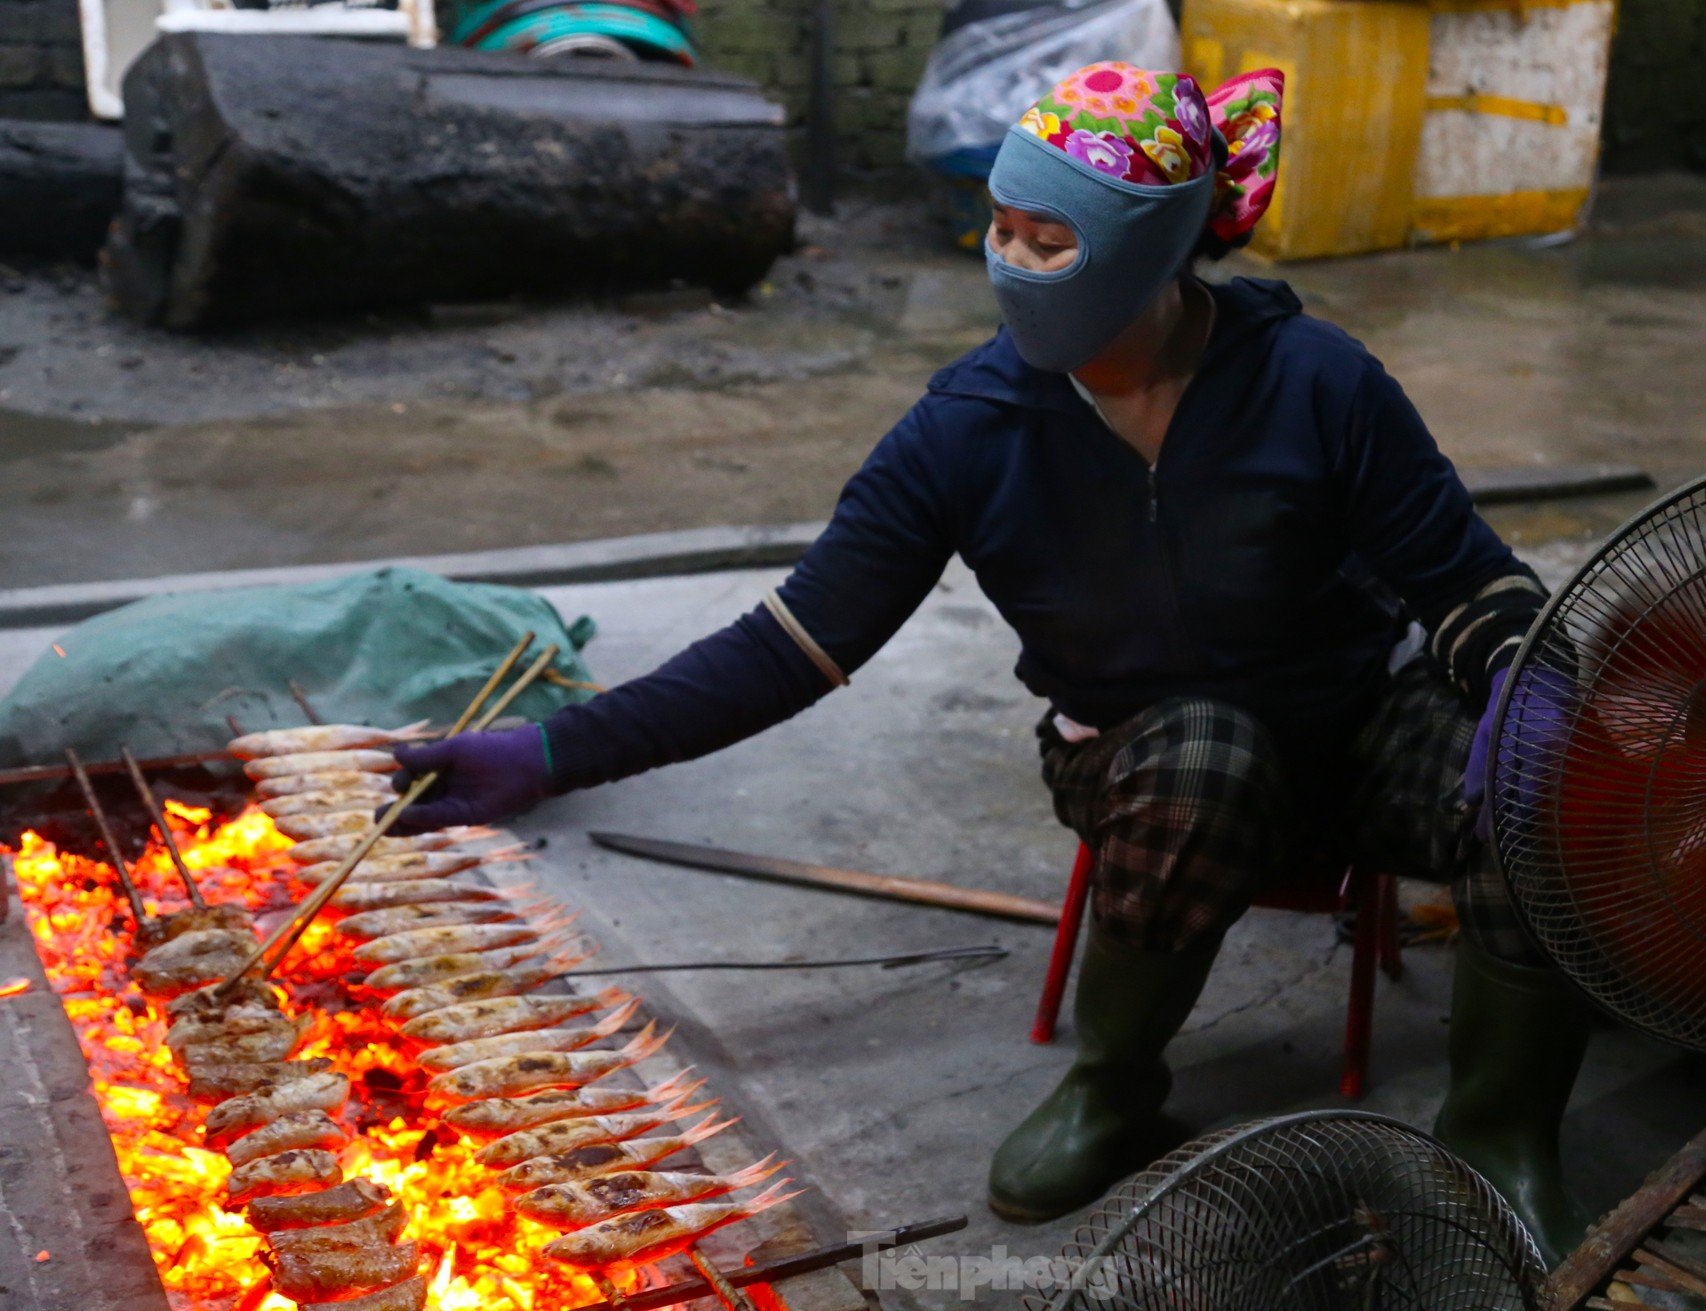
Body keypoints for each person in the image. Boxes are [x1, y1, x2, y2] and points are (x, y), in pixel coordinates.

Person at [385, 62, 1593, 1256]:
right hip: (1154, 767)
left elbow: (1465, 574)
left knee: (1541, 782)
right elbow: (792, 645)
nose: (1008, 262)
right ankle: (1114, 1084)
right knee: (1204, 756)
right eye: (998, 231)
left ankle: (1498, 1135)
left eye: (1046, 240)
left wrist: (1519, 679)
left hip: (1357, 725)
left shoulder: (1317, 382)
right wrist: (552, 751)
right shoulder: (967, 430)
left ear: (1155, 246)